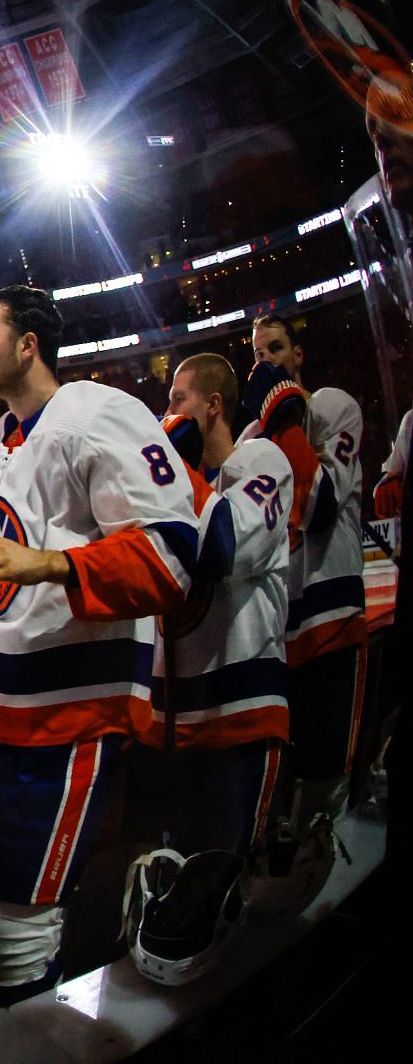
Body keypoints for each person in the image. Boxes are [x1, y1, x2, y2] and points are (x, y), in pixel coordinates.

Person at [0, 285, 199, 1005]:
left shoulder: (101, 413)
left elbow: (173, 554)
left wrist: (54, 563)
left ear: (28, 344)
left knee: (16, 927)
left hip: (68, 720)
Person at [149, 352, 293, 855]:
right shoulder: (175, 487)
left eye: (177, 399)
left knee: (227, 882)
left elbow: (221, 549)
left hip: (240, 710)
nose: (166, 410)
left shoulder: (261, 461)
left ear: (212, 405)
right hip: (175, 722)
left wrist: (170, 471)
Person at [243, 318, 365, 847]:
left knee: (325, 790)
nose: (264, 359)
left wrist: (282, 416)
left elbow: (316, 507)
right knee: (276, 797)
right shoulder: (250, 438)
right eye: (255, 352)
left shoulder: (333, 407)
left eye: (275, 348)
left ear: (298, 356)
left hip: (332, 620)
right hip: (277, 636)